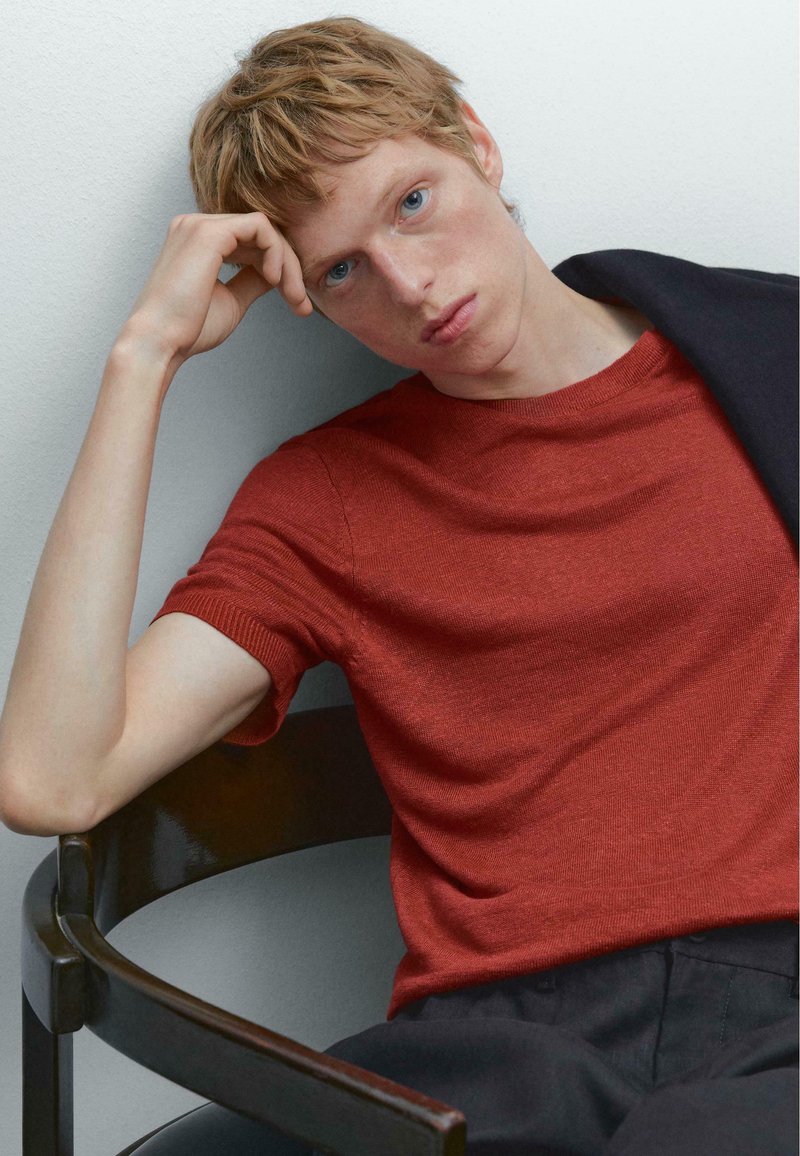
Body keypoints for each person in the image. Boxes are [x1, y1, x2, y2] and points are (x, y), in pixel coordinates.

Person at [0, 15, 796, 1155]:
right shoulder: (328, 498)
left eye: (411, 202)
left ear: (474, 140)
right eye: (342, 270)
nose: (412, 287)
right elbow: (51, 779)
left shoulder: (761, 354)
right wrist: (143, 361)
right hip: (501, 1054)